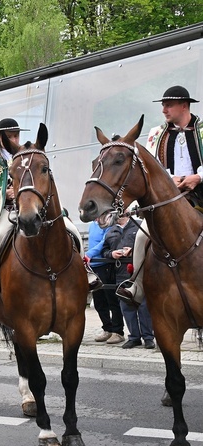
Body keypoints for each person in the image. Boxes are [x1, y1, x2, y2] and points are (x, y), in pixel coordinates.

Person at [0, 118, 100, 302]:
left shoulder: (28, 154)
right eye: (10, 136)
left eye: (16, 135)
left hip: (37, 206)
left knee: (70, 228)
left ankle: (85, 269)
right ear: (0, 137)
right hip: (6, 210)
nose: (14, 139)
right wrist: (4, 193)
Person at [118, 85, 203, 306]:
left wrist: (198, 177)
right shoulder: (157, 134)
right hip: (169, 199)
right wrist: (170, 178)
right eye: (163, 105)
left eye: (169, 105)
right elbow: (150, 166)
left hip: (201, 194)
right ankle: (136, 286)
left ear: (184, 105)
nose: (164, 109)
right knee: (141, 235)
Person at [102, 214, 155, 349]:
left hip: (139, 271)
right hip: (120, 273)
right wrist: (111, 254)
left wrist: (134, 251)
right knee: (126, 306)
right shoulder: (111, 230)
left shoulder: (139, 225)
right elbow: (104, 251)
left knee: (143, 306)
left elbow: (151, 244)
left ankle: (148, 337)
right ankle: (134, 337)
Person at [86, 219, 124, 342]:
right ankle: (107, 328)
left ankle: (118, 331)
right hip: (93, 266)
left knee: (111, 299)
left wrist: (89, 254)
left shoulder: (108, 225)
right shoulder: (92, 225)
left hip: (105, 265)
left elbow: (104, 242)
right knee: (99, 301)